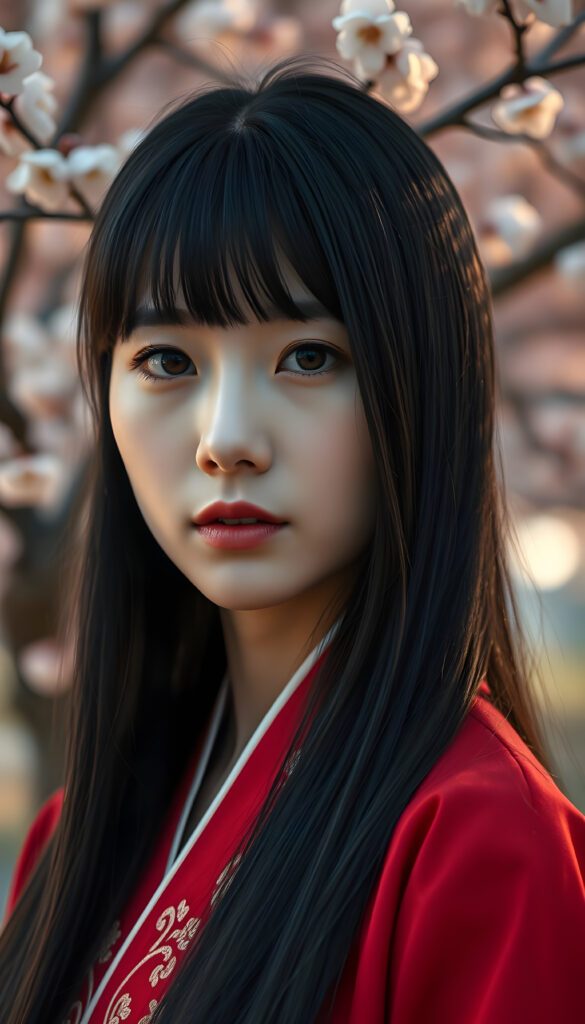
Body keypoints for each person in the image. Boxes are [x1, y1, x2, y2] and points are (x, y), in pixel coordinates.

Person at [1, 56, 584, 1024]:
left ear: (421, 389)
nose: (227, 437)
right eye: (167, 360)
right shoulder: (73, 846)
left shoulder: (481, 841)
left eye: (309, 357)